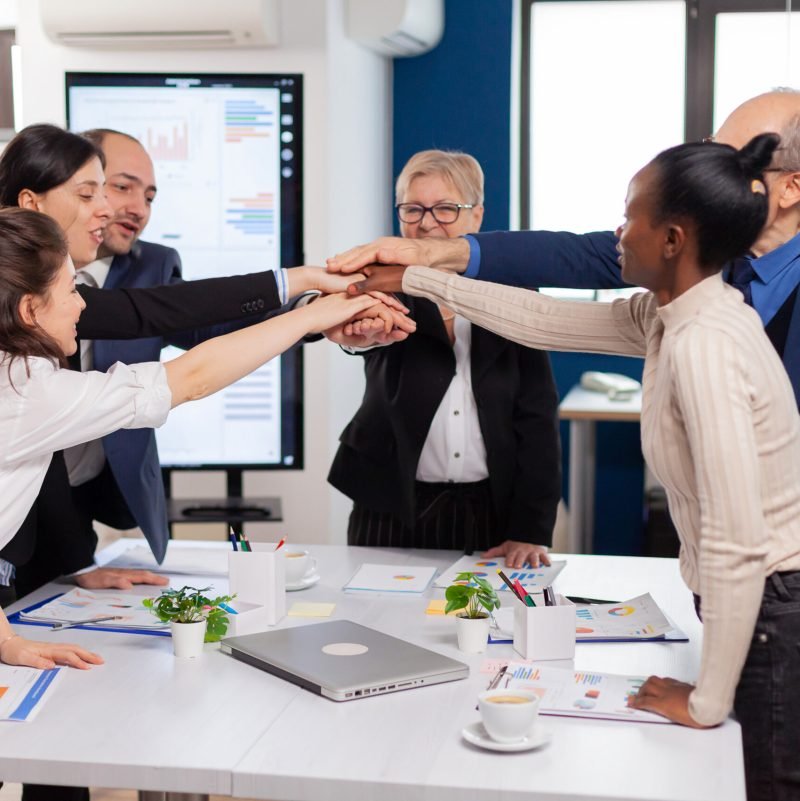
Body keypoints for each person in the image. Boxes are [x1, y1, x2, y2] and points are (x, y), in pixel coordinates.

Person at [337, 134, 799, 801]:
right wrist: (413, 276)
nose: (617, 232)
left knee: (767, 781)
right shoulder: (674, 314)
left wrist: (705, 699)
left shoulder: (705, 344)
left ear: (672, 239)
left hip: (773, 608)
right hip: (754, 603)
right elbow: (544, 319)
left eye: (631, 214)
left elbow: (736, 543)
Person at [0, 124, 413, 601]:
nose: (117, 209)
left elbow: (190, 325)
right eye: (102, 190)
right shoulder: (25, 384)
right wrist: (312, 298)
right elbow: (188, 373)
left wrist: (309, 313)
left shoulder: (33, 360)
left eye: (146, 195)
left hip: (59, 533)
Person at [0, 206, 389, 670]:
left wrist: (7, 643)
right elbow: (192, 377)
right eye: (71, 290)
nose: (84, 304)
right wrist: (310, 318)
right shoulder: (24, 390)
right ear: (28, 309)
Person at [328, 90, 800, 407]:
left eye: (731, 162)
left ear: (791, 188)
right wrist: (423, 265)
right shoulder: (692, 294)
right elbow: (550, 312)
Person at [328, 150, 560, 567]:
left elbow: (537, 415)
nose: (427, 222)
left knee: (480, 627)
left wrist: (531, 528)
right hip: (388, 502)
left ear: (476, 216)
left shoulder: (514, 291)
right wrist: (355, 336)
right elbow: (347, 331)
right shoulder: (380, 280)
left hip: (488, 509)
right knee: (374, 621)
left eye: (446, 209)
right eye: (413, 208)